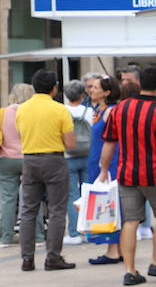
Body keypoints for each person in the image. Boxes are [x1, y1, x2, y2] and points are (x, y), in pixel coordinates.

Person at [97, 65, 156, 287]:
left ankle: (130, 270)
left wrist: (104, 170)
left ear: (140, 83)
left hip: (126, 174)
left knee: (130, 221)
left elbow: (109, 142)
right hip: (155, 174)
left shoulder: (119, 109)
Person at [14, 71, 76, 272]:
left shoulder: (22, 110)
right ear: (54, 88)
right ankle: (53, 257)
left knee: (28, 211)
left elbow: (20, 134)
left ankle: (27, 258)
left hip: (30, 160)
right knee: (57, 209)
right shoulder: (60, 109)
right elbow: (71, 143)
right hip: (54, 160)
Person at [83, 76, 122, 266]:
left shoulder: (110, 111)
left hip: (107, 163)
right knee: (105, 203)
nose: (92, 90)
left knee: (108, 205)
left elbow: (112, 140)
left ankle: (112, 248)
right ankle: (116, 247)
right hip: (98, 160)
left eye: (96, 87)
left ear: (107, 92)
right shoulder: (99, 110)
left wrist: (105, 167)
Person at [0, 83, 34, 248]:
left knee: (7, 199)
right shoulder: (31, 113)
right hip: (29, 157)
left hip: (6, 158)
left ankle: (5, 237)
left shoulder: (3, 113)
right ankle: (39, 235)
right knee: (33, 196)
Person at [62, 80, 94, 246]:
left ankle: (74, 232)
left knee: (72, 196)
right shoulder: (89, 111)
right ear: (83, 95)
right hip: (87, 155)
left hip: (68, 156)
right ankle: (89, 230)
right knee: (88, 194)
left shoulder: (62, 110)